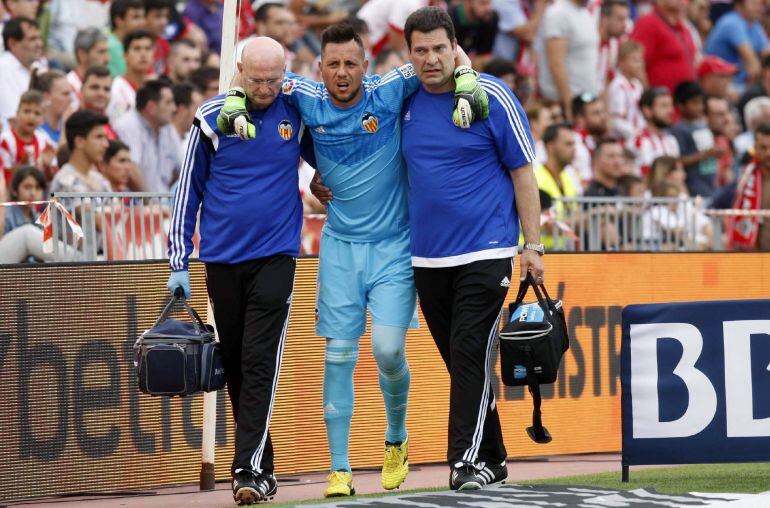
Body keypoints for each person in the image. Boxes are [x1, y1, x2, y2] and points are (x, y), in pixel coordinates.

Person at [218, 25, 489, 498]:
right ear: (318, 69)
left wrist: (466, 78)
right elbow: (257, 74)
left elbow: (444, 54)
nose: (342, 73)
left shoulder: (390, 89)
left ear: (366, 66)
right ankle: (339, 469)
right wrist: (235, 101)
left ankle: (396, 438)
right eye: (333, 64)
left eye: (351, 63)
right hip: (339, 246)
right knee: (338, 357)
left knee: (388, 351)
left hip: (394, 248)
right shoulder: (303, 94)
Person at [400, 6, 543, 491]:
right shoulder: (404, 98)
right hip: (426, 258)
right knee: (464, 363)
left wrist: (534, 245)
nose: (431, 58)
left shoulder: (492, 95)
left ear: (455, 46)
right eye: (421, 50)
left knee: (467, 351)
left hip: (487, 252)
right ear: (410, 55)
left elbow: (523, 170)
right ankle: (495, 456)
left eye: (440, 48)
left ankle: (463, 462)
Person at [167, 38, 312, 505]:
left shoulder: (296, 106)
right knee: (236, 365)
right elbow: (187, 190)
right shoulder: (212, 119)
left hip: (277, 254)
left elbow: (327, 150)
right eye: (256, 79)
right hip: (222, 259)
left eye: (274, 78)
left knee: (259, 360)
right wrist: (178, 261)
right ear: (239, 72)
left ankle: (246, 470)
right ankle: (261, 466)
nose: (266, 88)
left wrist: (329, 179)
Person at [535, 0, 600, 119]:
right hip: (565, 103)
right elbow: (556, 62)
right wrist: (568, 105)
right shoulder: (557, 13)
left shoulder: (585, 13)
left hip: (585, 102)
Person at [113, 79, 181, 192]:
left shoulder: (168, 128)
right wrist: (151, 205)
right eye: (168, 103)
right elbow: (132, 169)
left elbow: (183, 168)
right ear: (151, 107)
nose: (174, 108)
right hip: (135, 206)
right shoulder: (128, 124)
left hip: (163, 204)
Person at [630, 0, 696, 92]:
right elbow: (634, 64)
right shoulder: (648, 22)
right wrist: (648, 96)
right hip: (660, 101)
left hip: (682, 101)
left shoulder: (683, 27)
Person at [534, 122, 579, 249]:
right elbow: (548, 225)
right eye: (568, 144)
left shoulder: (567, 178)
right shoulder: (537, 178)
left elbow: (575, 213)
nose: (574, 148)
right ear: (550, 147)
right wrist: (589, 217)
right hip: (539, 255)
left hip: (559, 253)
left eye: (574, 143)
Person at [704, 0, 769, 89]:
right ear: (739, 6)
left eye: (760, 5)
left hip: (736, 82)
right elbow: (752, 62)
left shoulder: (754, 24)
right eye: (754, 4)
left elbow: (766, 53)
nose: (759, 8)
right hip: (720, 84)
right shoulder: (731, 22)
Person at [729, 122, 770, 251]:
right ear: (755, 148)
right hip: (755, 256)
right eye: (763, 147)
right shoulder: (746, 177)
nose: (769, 153)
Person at [50, 111, 111, 195]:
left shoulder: (99, 179)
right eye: (99, 137)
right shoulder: (65, 180)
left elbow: (117, 207)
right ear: (79, 141)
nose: (106, 144)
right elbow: (86, 208)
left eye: (105, 138)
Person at [0, 90, 54, 185]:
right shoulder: (6, 140)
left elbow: (50, 179)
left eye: (37, 113)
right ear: (17, 113)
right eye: (27, 111)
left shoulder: (44, 141)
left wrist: (48, 167)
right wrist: (21, 168)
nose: (31, 117)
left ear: (43, 119)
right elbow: (3, 177)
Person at [0, 16, 45, 121]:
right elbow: (13, 117)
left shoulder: (39, 67)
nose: (40, 44)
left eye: (39, 38)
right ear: (12, 43)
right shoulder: (2, 69)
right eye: (32, 39)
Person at [107, 29, 155, 123]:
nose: (143, 54)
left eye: (147, 49)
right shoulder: (116, 89)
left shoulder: (156, 87)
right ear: (125, 56)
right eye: (137, 49)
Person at [630, 87, 680, 176]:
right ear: (647, 111)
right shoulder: (639, 141)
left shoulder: (671, 140)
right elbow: (647, 177)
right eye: (664, 106)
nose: (671, 111)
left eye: (671, 105)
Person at [608, 40, 646, 141]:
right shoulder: (618, 86)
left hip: (638, 135)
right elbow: (617, 120)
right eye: (635, 61)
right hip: (624, 139)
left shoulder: (637, 85)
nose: (640, 65)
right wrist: (636, 134)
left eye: (641, 60)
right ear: (621, 63)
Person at [67, 28, 110, 110]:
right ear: (82, 55)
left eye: (107, 52)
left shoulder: (108, 84)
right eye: (101, 52)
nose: (107, 59)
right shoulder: (68, 87)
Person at [30, 70, 72, 145]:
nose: (70, 99)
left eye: (70, 94)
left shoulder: (67, 127)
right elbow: (61, 156)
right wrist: (67, 124)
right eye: (65, 94)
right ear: (46, 96)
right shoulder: (35, 130)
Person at [106, 0, 146, 78]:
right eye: (136, 17)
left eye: (143, 17)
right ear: (119, 20)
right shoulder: (110, 46)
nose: (142, 22)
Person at [597, 0, 630, 89]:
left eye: (626, 19)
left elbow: (606, 81)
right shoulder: (591, 44)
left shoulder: (613, 45)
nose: (624, 25)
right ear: (604, 19)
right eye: (620, 19)